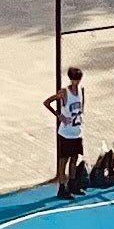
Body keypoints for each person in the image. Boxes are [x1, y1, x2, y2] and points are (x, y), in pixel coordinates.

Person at [46, 67, 88, 195]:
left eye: (78, 79)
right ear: (71, 79)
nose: (77, 82)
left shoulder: (81, 90)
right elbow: (47, 102)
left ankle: (73, 184)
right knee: (64, 159)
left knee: (75, 157)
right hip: (66, 133)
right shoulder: (64, 93)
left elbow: (82, 106)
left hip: (77, 131)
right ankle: (62, 186)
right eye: (75, 79)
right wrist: (59, 115)